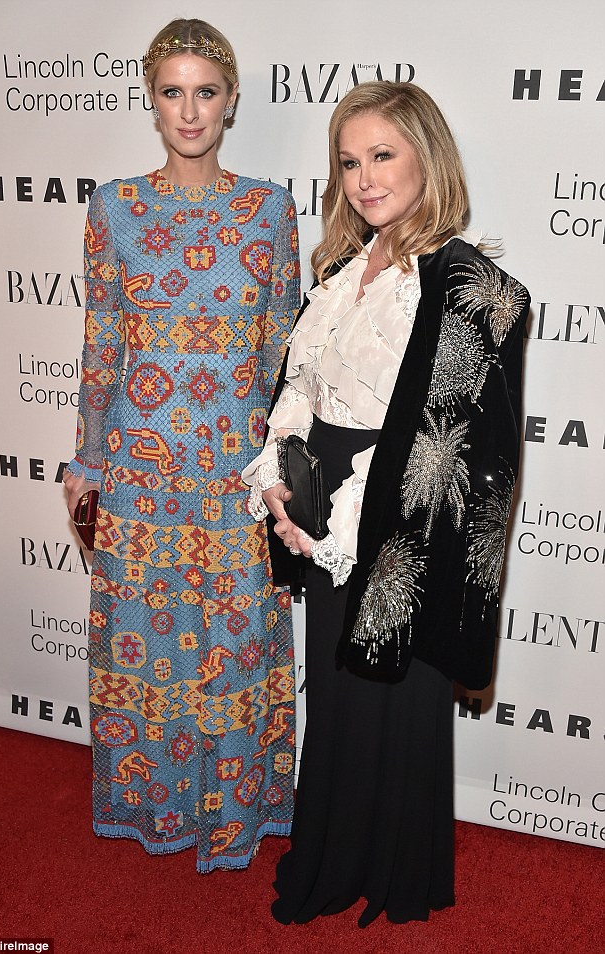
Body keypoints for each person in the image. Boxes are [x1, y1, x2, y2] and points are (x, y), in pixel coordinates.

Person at [243, 81, 530, 924]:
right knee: (337, 693)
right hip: (320, 501)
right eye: (348, 161)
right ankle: (332, 856)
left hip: (409, 521)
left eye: (382, 155)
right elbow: (300, 386)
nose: (364, 178)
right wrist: (278, 475)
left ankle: (397, 872)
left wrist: (353, 522)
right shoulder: (340, 272)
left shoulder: (472, 284)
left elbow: (461, 442)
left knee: (395, 692)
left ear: (426, 159)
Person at [63, 18, 301, 872]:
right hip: (140, 468)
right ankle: (154, 807)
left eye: (206, 92)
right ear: (152, 100)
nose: (190, 111)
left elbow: (282, 355)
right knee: (147, 648)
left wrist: (281, 466)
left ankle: (239, 813)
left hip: (237, 470)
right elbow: (102, 347)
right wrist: (86, 461)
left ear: (230, 102)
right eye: (173, 92)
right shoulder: (114, 207)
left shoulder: (269, 210)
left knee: (237, 652)